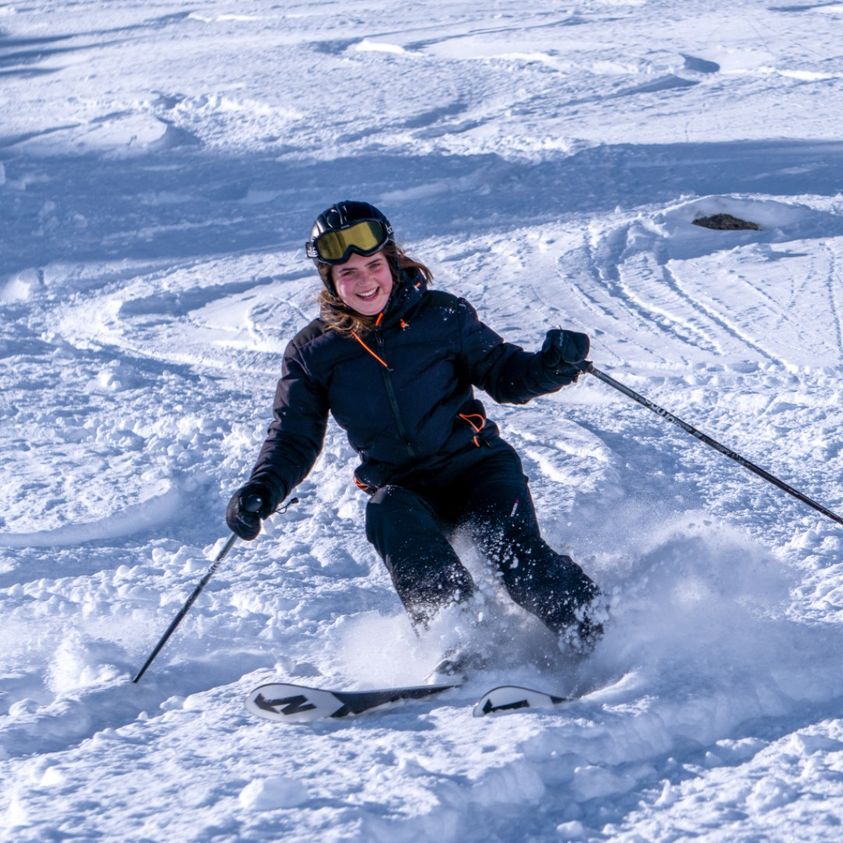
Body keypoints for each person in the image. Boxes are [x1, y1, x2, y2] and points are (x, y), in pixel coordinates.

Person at [226, 200, 602, 674]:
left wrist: (551, 366)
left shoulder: (443, 316)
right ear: (329, 280)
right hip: (404, 487)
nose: (364, 282)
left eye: (373, 265)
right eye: (347, 272)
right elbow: (293, 437)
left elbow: (505, 374)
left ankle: (593, 626)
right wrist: (262, 488)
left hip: (478, 469)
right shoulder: (312, 353)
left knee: (513, 554)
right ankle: (465, 641)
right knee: (387, 514)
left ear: (392, 261)